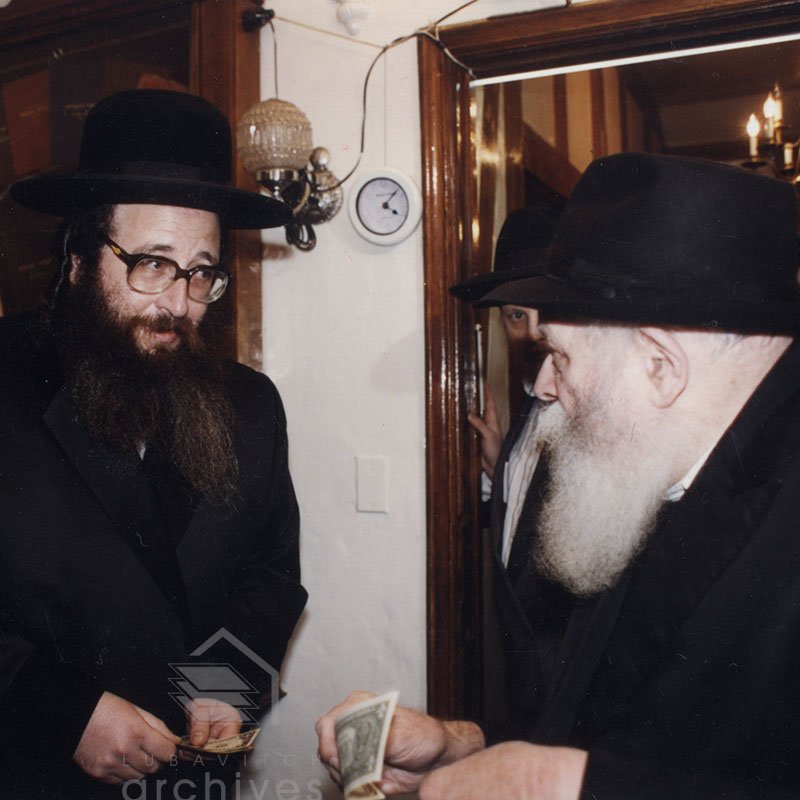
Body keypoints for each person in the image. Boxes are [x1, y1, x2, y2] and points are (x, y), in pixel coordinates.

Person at [317, 152, 800, 798]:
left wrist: (564, 784)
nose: (543, 385)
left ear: (661, 367)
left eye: (561, 357)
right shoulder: (653, 465)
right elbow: (602, 723)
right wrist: (460, 747)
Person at [2, 89, 308, 799]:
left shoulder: (251, 406)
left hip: (188, 782)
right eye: (152, 262)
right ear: (79, 258)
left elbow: (269, 574)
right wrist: (63, 713)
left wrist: (223, 688)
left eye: (202, 272)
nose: (177, 303)